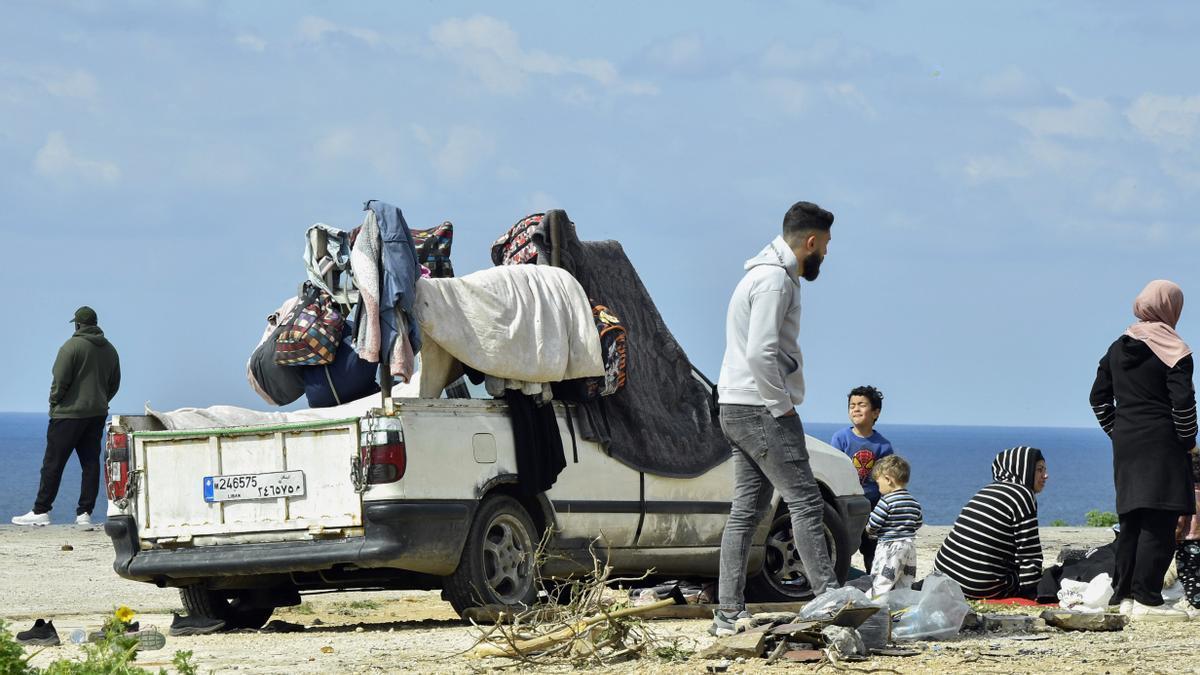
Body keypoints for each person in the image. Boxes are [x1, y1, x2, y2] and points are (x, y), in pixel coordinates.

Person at [712, 200, 836, 636]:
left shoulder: (760, 275)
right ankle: (829, 602)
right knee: (805, 500)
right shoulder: (774, 282)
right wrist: (781, 406)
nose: (825, 255)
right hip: (760, 406)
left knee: (746, 510)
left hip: (734, 403)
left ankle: (728, 612)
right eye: (825, 246)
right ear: (810, 241)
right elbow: (761, 352)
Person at [1090, 279, 1197, 620]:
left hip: (1127, 444)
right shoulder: (1174, 349)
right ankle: (1148, 598)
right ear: (1171, 308)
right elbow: (1183, 402)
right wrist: (1187, 440)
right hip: (1161, 441)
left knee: (1132, 517)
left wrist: (1117, 430)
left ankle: (1124, 596)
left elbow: (1098, 397)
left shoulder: (1117, 347)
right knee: (1161, 518)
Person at [12, 306, 121, 527]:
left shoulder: (70, 347)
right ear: (96, 323)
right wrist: (100, 400)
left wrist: (55, 401)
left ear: (78, 324)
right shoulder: (110, 350)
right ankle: (84, 514)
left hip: (68, 415)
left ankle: (41, 511)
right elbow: (115, 382)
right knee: (90, 464)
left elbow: (60, 380)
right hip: (96, 414)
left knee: (53, 463)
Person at [932, 447, 1047, 599]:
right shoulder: (1023, 494)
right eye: (1039, 470)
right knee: (1041, 576)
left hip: (942, 576)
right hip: (975, 587)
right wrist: (1031, 592)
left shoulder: (988, 489)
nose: (1045, 476)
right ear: (1024, 469)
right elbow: (1029, 553)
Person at [830, 385, 894, 571]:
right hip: (845, 502)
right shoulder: (841, 438)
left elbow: (887, 479)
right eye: (852, 405)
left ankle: (873, 580)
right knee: (841, 545)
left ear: (875, 412)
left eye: (862, 405)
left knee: (872, 548)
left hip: (872, 505)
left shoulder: (883, 445)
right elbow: (834, 470)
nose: (855, 409)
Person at [863, 455, 922, 597]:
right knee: (905, 581)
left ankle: (873, 604)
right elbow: (918, 522)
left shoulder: (886, 501)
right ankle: (902, 604)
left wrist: (869, 531)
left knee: (883, 579)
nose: (878, 488)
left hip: (890, 546)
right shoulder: (913, 501)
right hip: (909, 547)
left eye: (878, 483)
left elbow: (874, 523)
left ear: (888, 480)